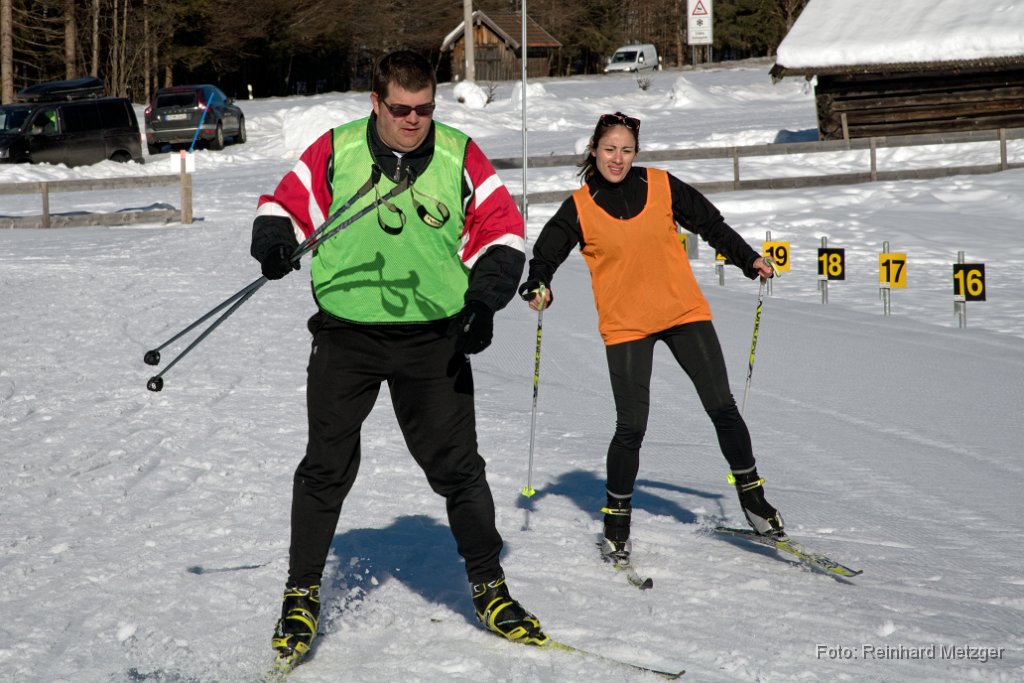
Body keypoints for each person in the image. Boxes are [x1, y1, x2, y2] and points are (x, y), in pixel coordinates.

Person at [250, 50, 547, 670]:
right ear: (376, 103)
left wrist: (483, 302)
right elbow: (284, 205)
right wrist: (274, 242)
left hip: (433, 339)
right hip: (347, 336)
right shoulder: (337, 150)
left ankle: (490, 589)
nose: (414, 120)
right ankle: (301, 595)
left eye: (425, 109)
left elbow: (502, 232)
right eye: (401, 109)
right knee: (326, 467)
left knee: (458, 468)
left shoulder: (460, 155)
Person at [518, 112, 783, 567]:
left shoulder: (661, 185)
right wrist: (538, 284)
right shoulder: (579, 207)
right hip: (626, 326)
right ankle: (616, 524)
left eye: (626, 150)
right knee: (631, 427)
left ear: (635, 152)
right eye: (609, 149)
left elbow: (711, 224)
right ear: (593, 150)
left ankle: (754, 500)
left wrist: (748, 259)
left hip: (683, 313)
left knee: (722, 407)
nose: (617, 158)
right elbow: (545, 255)